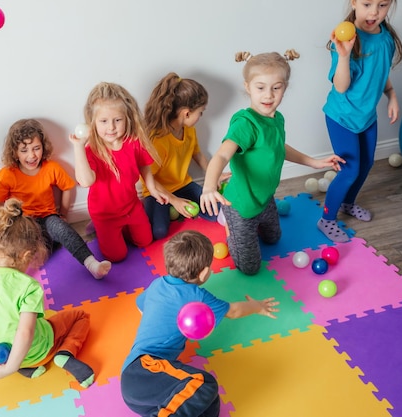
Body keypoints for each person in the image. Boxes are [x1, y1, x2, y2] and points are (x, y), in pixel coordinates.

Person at [200, 50, 345, 276]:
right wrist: (209, 187)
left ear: (284, 88)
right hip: (241, 207)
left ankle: (245, 225)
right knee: (250, 268)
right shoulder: (245, 124)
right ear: (248, 87)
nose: (268, 95)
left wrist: (313, 163)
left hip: (265, 199)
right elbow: (221, 156)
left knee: (274, 239)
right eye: (260, 88)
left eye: (276, 87)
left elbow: (279, 147)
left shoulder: (277, 118)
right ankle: (229, 224)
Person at [120, 230, 279, 417]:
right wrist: (257, 306)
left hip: (143, 390)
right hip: (145, 369)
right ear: (204, 273)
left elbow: (141, 306)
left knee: (210, 405)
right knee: (205, 383)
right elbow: (234, 311)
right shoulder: (197, 296)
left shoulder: (157, 284)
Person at [0, 198, 95, 387]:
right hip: (36, 352)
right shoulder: (28, 286)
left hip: (0, 358)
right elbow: (25, 333)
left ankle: (26, 368)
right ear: (26, 255)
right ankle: (64, 353)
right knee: (80, 316)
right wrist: (9, 370)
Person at [318, 0, 402, 242]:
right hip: (342, 117)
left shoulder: (385, 36)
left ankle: (347, 203)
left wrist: (392, 95)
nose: (374, 12)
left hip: (366, 117)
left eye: (383, 5)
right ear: (354, 2)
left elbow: (380, 72)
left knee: (366, 165)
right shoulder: (346, 40)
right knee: (349, 170)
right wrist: (343, 55)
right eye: (367, 3)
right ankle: (326, 219)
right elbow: (341, 86)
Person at [0, 118, 111, 280]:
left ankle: (92, 264)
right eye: (24, 150)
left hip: (48, 218)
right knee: (22, 249)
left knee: (63, 231)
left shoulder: (51, 168)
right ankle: (9, 278)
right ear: (15, 152)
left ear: (43, 147)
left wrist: (63, 212)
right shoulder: (7, 174)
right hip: (23, 221)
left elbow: (67, 187)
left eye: (36, 148)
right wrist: (4, 225)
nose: (32, 155)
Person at [70, 82, 169, 262]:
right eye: (104, 121)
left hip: (131, 206)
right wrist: (78, 147)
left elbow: (144, 165)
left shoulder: (133, 142)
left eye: (117, 120)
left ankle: (121, 230)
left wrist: (152, 188)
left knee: (145, 241)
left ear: (127, 118)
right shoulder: (91, 150)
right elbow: (86, 181)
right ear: (92, 122)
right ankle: (101, 229)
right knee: (117, 256)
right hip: (105, 215)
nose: (111, 127)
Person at [142, 72, 230, 240]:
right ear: (186, 113)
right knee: (158, 232)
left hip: (184, 185)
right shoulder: (158, 140)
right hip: (159, 191)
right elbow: (149, 179)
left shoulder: (189, 131)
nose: (201, 116)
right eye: (201, 112)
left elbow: (197, 154)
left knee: (215, 211)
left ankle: (175, 209)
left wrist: (214, 175)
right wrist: (174, 201)